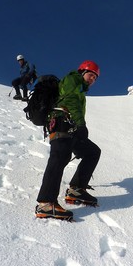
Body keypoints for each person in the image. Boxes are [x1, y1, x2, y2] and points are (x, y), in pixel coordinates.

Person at [35, 60, 102, 221]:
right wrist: (81, 124)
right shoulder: (73, 79)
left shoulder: (81, 90)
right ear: (82, 71)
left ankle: (76, 189)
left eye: (95, 77)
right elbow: (70, 99)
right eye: (90, 75)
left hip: (71, 128)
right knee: (59, 157)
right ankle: (45, 203)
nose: (92, 79)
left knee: (92, 152)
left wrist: (78, 126)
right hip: (60, 123)